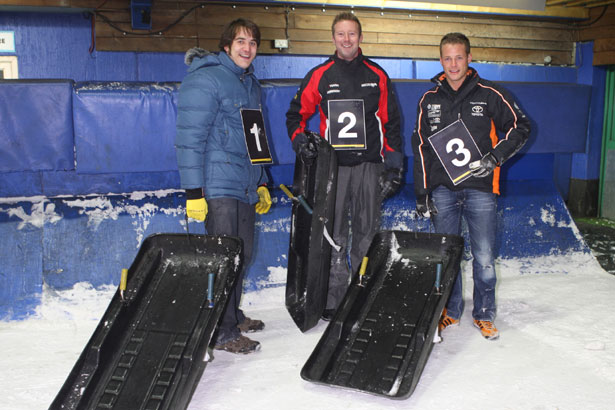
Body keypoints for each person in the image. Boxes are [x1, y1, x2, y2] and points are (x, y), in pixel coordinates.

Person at [411, 32, 530, 340]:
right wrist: (422, 193)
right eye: (447, 58)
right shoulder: (429, 100)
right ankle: (450, 312)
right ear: (440, 60)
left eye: (459, 57)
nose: (453, 64)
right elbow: (421, 148)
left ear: (469, 58)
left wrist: (496, 156)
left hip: (480, 189)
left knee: (484, 256)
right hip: (442, 191)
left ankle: (485, 314)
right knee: (446, 256)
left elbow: (522, 126)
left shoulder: (490, 94)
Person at [286, 12, 404, 320]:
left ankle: (362, 296)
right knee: (333, 234)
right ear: (333, 37)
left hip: (369, 167)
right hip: (333, 168)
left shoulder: (377, 74)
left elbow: (392, 123)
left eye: (352, 34)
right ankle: (333, 299)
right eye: (341, 34)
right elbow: (295, 114)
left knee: (366, 234)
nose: (347, 39)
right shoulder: (320, 74)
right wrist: (301, 142)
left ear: (361, 37)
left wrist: (394, 167)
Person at [175, 18, 271, 354]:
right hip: (218, 185)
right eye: (241, 41)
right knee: (224, 260)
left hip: (243, 183)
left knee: (241, 255)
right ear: (226, 45)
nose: (248, 48)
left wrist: (261, 182)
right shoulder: (206, 80)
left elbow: (255, 138)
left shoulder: (249, 84)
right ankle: (223, 331)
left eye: (253, 42)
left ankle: (232, 314)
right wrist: (193, 192)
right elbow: (189, 139)